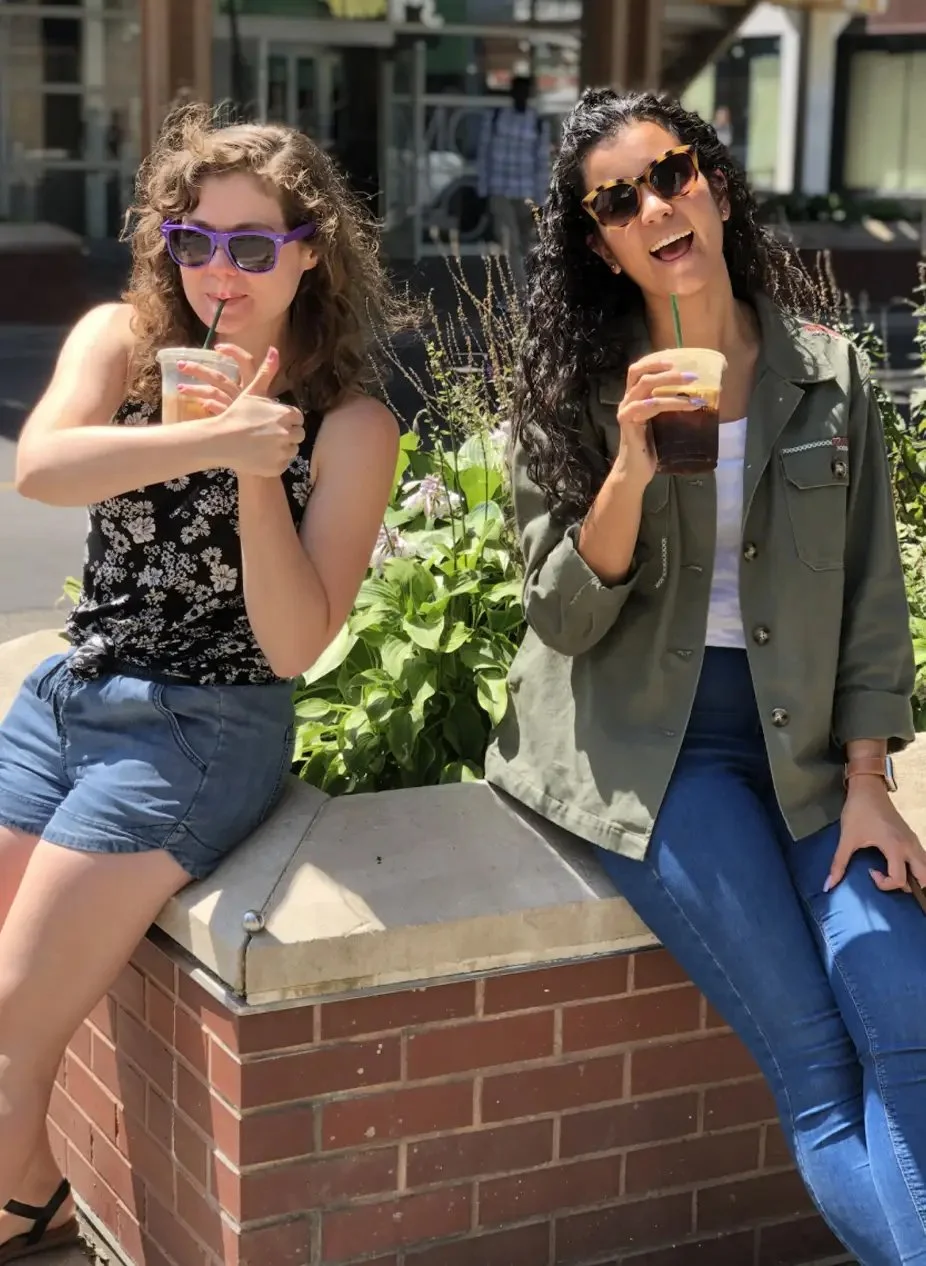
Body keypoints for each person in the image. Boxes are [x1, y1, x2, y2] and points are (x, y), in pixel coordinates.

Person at [486, 87, 926, 1265]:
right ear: (599, 240)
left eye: (669, 173)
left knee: (907, 1017)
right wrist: (626, 466)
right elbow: (561, 619)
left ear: (714, 182)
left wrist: (869, 778)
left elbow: (872, 604)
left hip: (805, 753)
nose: (654, 207)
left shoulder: (829, 377)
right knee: (814, 1063)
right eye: (616, 200)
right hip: (652, 748)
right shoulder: (576, 395)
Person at [0, 104, 401, 1261]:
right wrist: (206, 438)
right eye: (193, 240)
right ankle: (36, 1200)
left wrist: (255, 470)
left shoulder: (352, 426)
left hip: (202, 730)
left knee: (13, 1037)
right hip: (71, 697)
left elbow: (290, 648)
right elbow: (41, 468)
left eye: (251, 246)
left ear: (308, 251)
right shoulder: (122, 342)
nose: (216, 269)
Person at [476, 75, 551, 292]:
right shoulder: (496, 118)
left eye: (525, 92)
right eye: (518, 91)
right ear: (512, 93)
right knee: (510, 245)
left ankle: (530, 292)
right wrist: (483, 190)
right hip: (500, 191)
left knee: (525, 247)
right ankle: (521, 294)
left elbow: (541, 163)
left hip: (526, 194)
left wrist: (541, 201)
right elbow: (484, 155)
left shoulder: (537, 123)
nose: (521, 96)